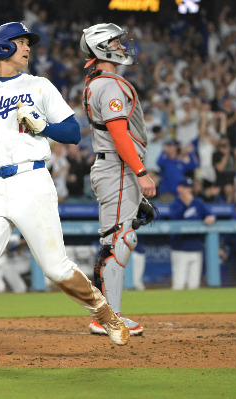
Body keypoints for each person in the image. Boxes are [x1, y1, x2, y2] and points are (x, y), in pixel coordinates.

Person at [0, 22, 130, 368]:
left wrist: (44, 127)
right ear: (1, 47)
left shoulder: (38, 86)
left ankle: (103, 310)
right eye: (21, 42)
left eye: (28, 42)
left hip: (32, 181)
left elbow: (73, 132)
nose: (27, 48)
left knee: (56, 269)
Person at [79, 23, 157, 338]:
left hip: (114, 168)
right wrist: (140, 173)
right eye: (116, 41)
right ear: (101, 47)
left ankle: (106, 314)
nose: (122, 46)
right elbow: (119, 134)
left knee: (119, 238)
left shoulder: (99, 81)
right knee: (119, 241)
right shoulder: (109, 83)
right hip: (118, 168)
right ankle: (107, 317)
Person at [169, 177, 216, 290]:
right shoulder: (175, 203)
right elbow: (175, 218)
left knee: (194, 285)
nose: (188, 190)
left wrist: (210, 218)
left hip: (196, 248)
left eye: (189, 188)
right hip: (180, 249)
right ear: (179, 188)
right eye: (185, 188)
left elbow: (210, 214)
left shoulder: (198, 202)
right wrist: (187, 204)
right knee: (179, 284)